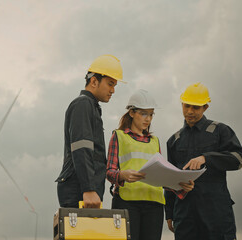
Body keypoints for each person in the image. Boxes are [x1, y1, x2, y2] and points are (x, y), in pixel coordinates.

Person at [106, 89, 194, 240]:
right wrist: (122, 175)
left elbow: (160, 177)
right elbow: (109, 171)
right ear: (132, 113)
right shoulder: (119, 136)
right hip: (127, 203)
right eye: (143, 114)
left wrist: (179, 184)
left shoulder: (155, 141)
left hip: (154, 205)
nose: (148, 119)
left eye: (151, 114)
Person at [165, 82, 242, 240]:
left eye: (195, 107)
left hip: (215, 211)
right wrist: (169, 213)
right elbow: (169, 179)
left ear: (205, 108)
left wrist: (206, 158)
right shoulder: (174, 140)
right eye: (186, 106)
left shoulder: (220, 131)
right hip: (185, 214)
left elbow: (238, 159)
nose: (190, 111)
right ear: (182, 104)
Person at [56, 54, 125, 208]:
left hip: (86, 187)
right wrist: (88, 188)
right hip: (79, 189)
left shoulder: (91, 106)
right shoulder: (83, 104)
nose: (113, 90)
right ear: (94, 81)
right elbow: (82, 148)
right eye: (110, 84)